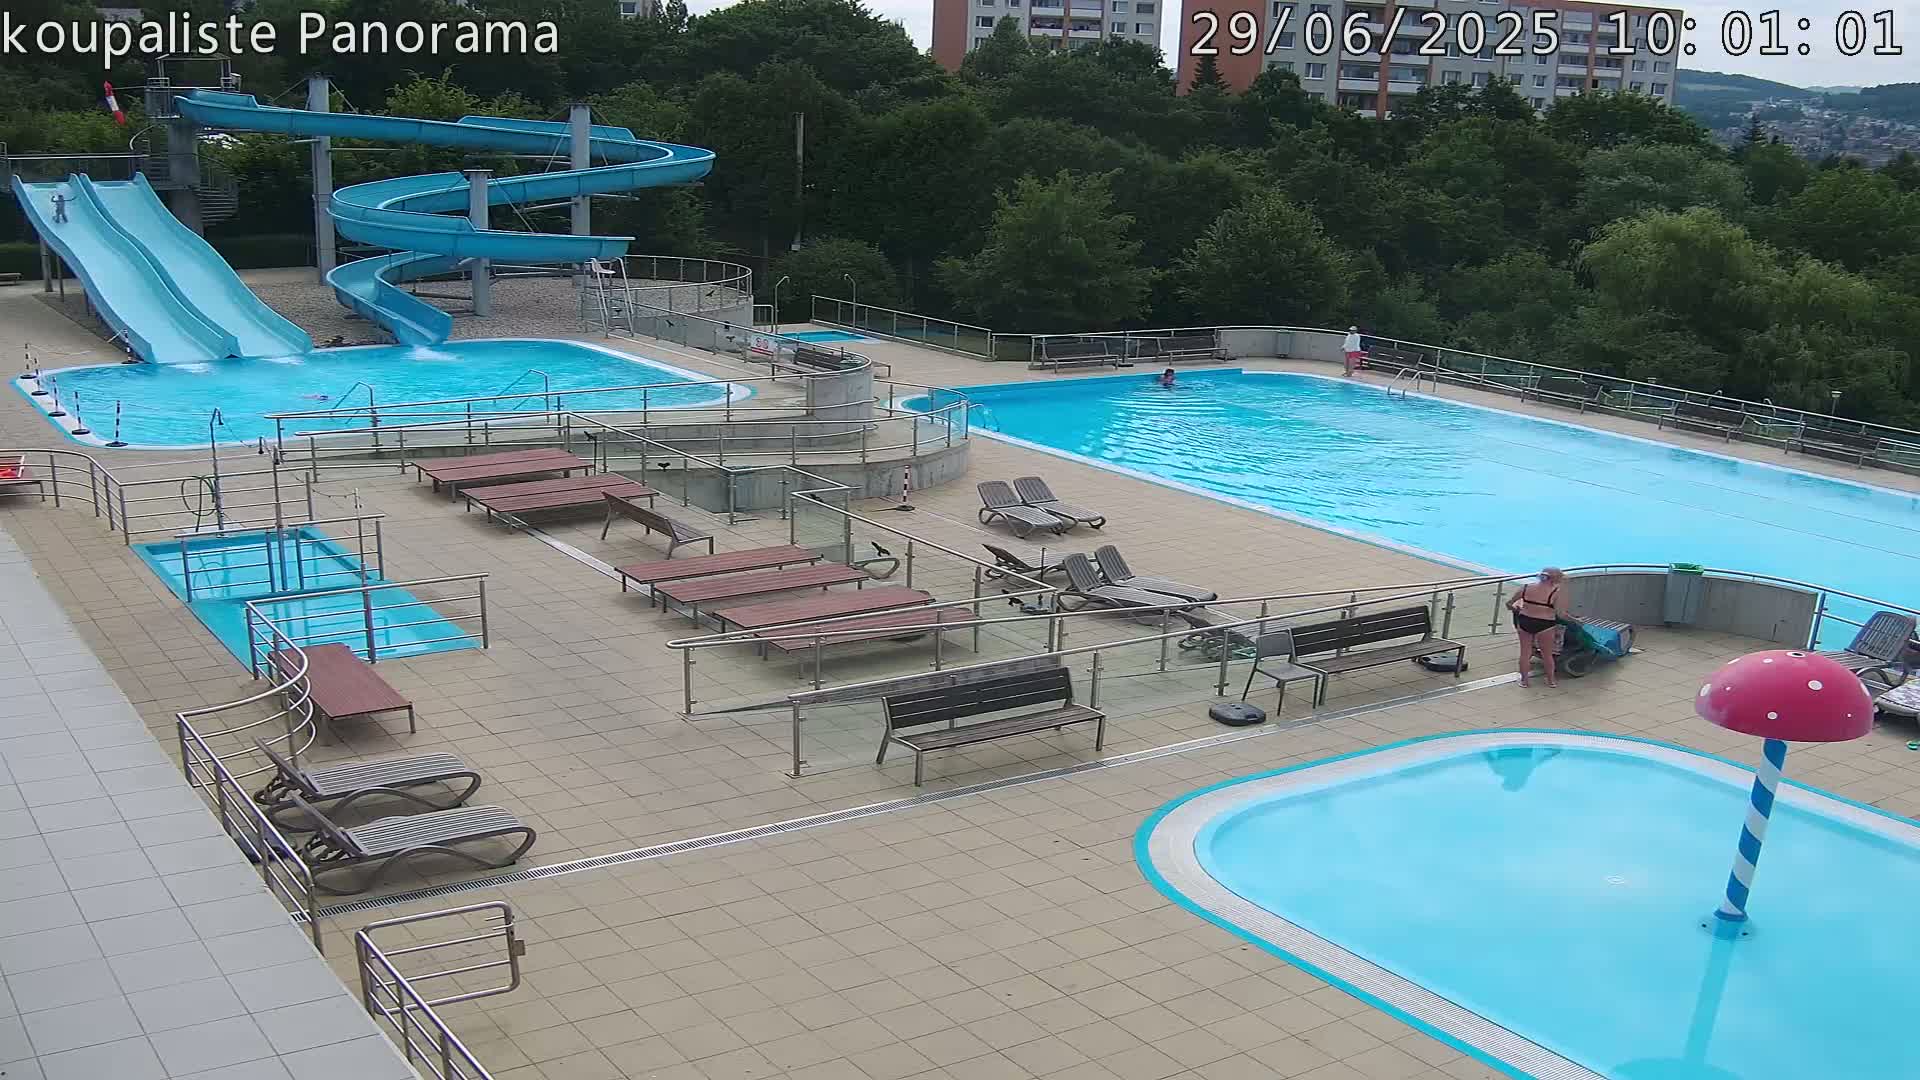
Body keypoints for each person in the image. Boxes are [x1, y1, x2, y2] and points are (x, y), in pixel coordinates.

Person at [1508, 567, 1568, 687]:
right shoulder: (1556, 592)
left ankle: (1524, 681)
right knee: (1547, 654)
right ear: (1555, 579)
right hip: (1545, 624)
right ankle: (1551, 681)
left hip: (1525, 621)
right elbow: (1561, 614)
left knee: (1525, 653)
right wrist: (1576, 620)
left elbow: (1509, 604)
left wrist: (1518, 610)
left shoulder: (1526, 588)